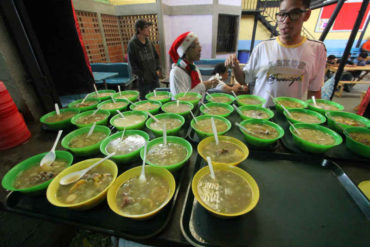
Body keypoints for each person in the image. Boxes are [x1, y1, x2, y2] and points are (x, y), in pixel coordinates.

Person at [225, 0, 326, 107]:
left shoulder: (317, 49)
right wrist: (235, 66)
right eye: (282, 14)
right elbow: (244, 80)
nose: (286, 20)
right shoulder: (263, 47)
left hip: (291, 115)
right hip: (260, 114)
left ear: (306, 15)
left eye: (294, 14)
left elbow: (314, 91)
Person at [168, 32, 218, 96]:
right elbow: (181, 101)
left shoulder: (194, 68)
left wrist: (210, 84)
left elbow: (198, 93)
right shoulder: (176, 72)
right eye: (196, 45)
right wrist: (203, 86)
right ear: (185, 51)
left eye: (199, 44)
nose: (200, 49)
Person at [127, 19, 160, 99]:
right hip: (143, 80)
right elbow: (132, 63)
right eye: (146, 27)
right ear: (139, 29)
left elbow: (156, 57)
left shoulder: (149, 42)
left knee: (158, 97)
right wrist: (141, 75)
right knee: (144, 99)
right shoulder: (132, 44)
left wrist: (157, 69)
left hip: (154, 77)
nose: (149, 29)